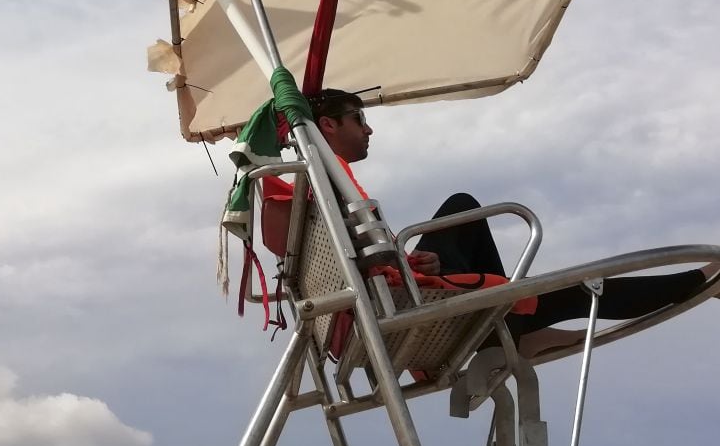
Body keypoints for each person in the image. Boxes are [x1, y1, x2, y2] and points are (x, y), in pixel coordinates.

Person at [307, 88, 718, 357]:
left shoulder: (317, 183)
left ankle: (511, 328)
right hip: (401, 302)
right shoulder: (327, 184)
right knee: (579, 292)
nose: (368, 127)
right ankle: (703, 279)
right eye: (358, 118)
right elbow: (362, 260)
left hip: (394, 288)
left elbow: (361, 259)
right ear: (329, 125)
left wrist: (410, 262)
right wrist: (402, 264)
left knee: (461, 204)